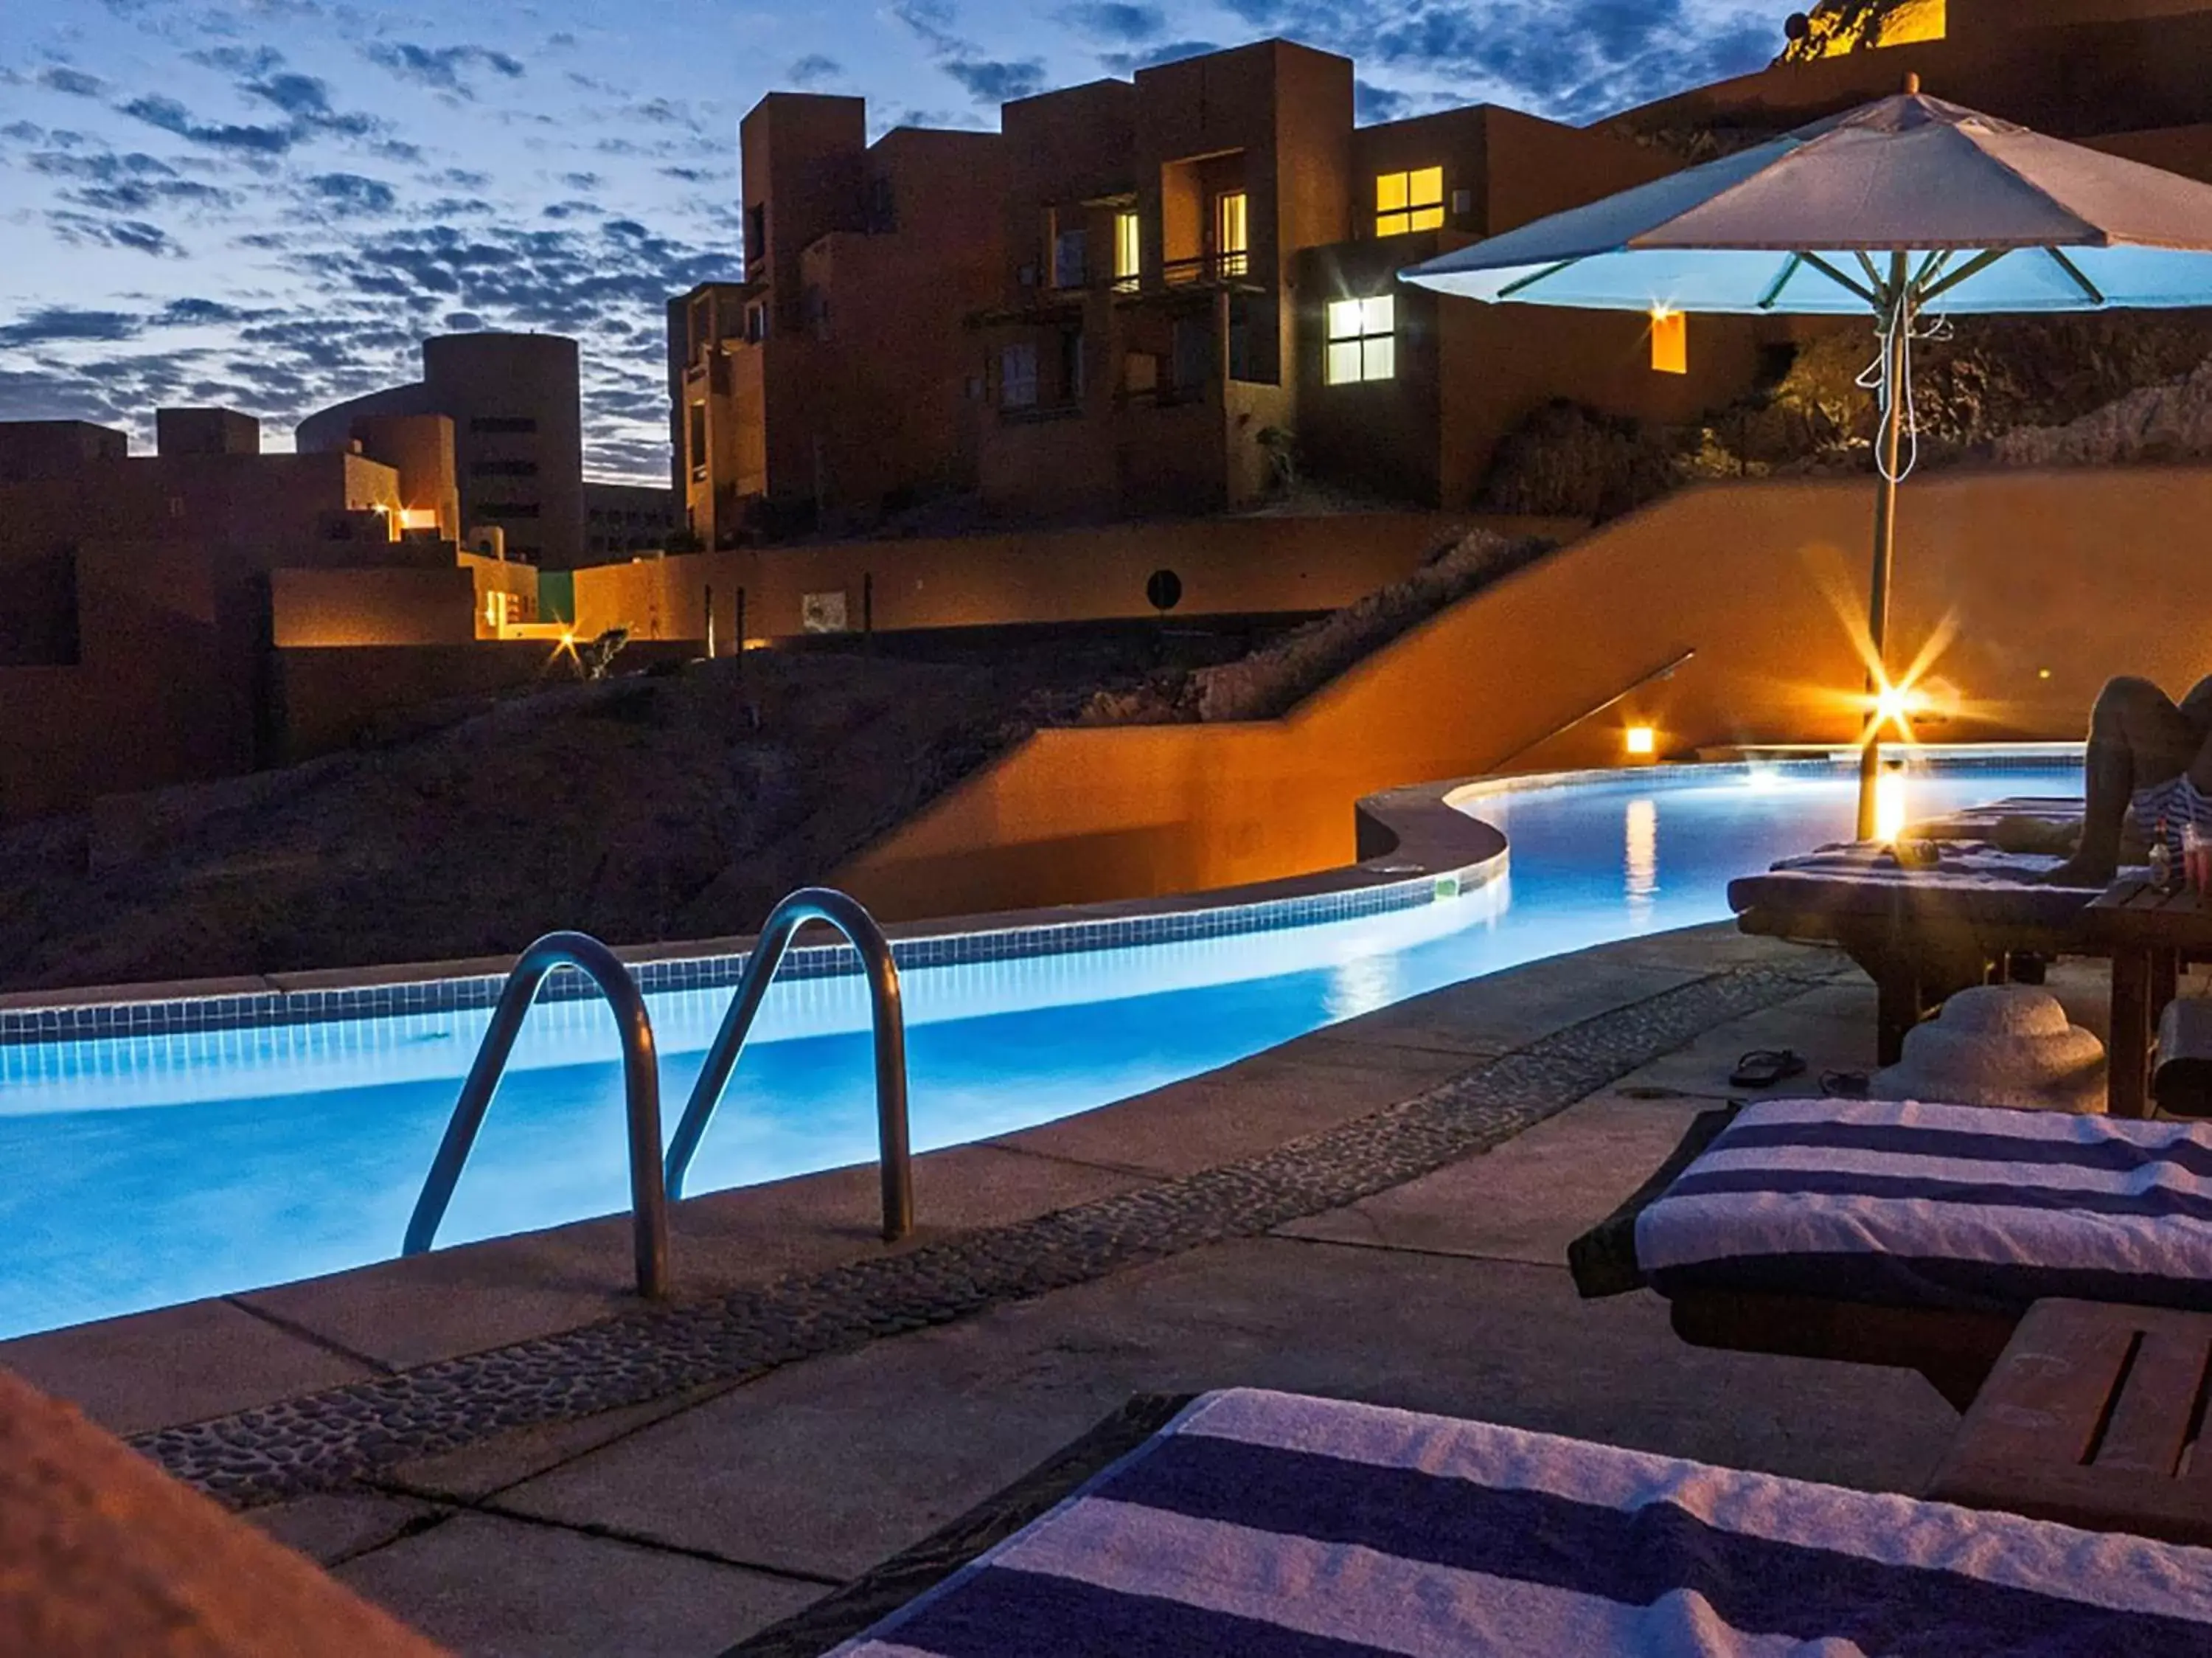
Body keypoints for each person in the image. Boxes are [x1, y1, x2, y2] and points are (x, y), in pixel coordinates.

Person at [2043, 675, 2212, 886]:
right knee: (2121, 695)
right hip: (2186, 824)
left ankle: (2096, 854)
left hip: (2199, 844)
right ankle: (2095, 855)